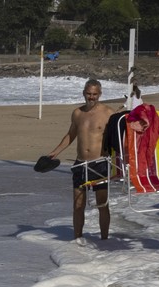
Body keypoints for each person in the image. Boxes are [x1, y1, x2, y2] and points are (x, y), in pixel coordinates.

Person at [43, 78, 115, 241]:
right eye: (89, 94)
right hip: (80, 164)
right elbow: (71, 135)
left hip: (100, 164)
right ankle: (77, 240)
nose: (91, 97)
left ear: (100, 94)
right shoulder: (77, 113)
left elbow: (118, 137)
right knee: (78, 205)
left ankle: (104, 240)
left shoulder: (109, 113)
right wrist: (55, 152)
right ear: (84, 93)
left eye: (95, 94)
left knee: (102, 204)